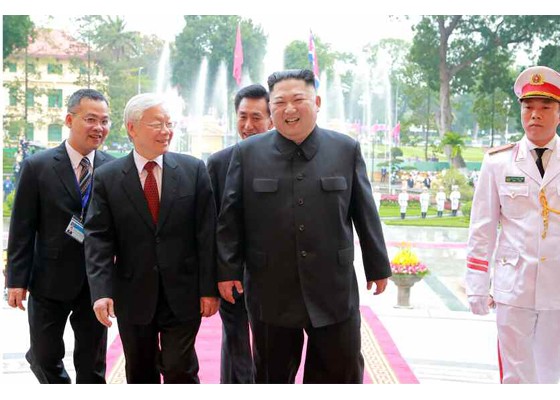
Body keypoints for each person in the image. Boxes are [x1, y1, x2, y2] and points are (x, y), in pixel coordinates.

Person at [216, 69, 391, 384]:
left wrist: (377, 266)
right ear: (271, 109)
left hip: (333, 287)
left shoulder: (345, 149)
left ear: (317, 102)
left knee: (340, 371)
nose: (289, 109)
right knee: (271, 375)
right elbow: (231, 216)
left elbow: (364, 211)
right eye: (279, 102)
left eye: (298, 99)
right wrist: (227, 271)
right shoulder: (248, 153)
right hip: (270, 288)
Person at [84, 93, 219, 384]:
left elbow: (207, 233)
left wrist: (209, 289)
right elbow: (98, 238)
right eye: (157, 124)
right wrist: (101, 291)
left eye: (169, 124)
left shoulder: (193, 170)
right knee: (140, 371)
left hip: (183, 293)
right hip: (132, 294)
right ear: (132, 128)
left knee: (179, 367)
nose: (166, 131)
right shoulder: (108, 177)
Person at [6, 88, 114, 383]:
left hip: (96, 282)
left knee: (92, 365)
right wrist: (16, 279)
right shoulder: (38, 166)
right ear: (69, 119)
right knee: (43, 356)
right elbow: (22, 227)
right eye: (91, 119)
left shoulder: (114, 168)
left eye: (105, 121)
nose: (99, 127)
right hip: (48, 279)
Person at [466, 65, 560, 384]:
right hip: (514, 286)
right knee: (516, 377)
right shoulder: (498, 162)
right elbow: (482, 227)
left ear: (558, 113)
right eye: (528, 107)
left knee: (552, 375)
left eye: (545, 107)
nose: (535, 115)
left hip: (557, 286)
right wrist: (478, 285)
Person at [207, 84, 273, 384]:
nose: (248, 125)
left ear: (271, 119)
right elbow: (211, 225)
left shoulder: (283, 161)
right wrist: (218, 273)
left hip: (273, 274)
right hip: (230, 274)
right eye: (242, 116)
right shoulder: (218, 163)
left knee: (270, 348)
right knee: (235, 346)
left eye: (256, 117)